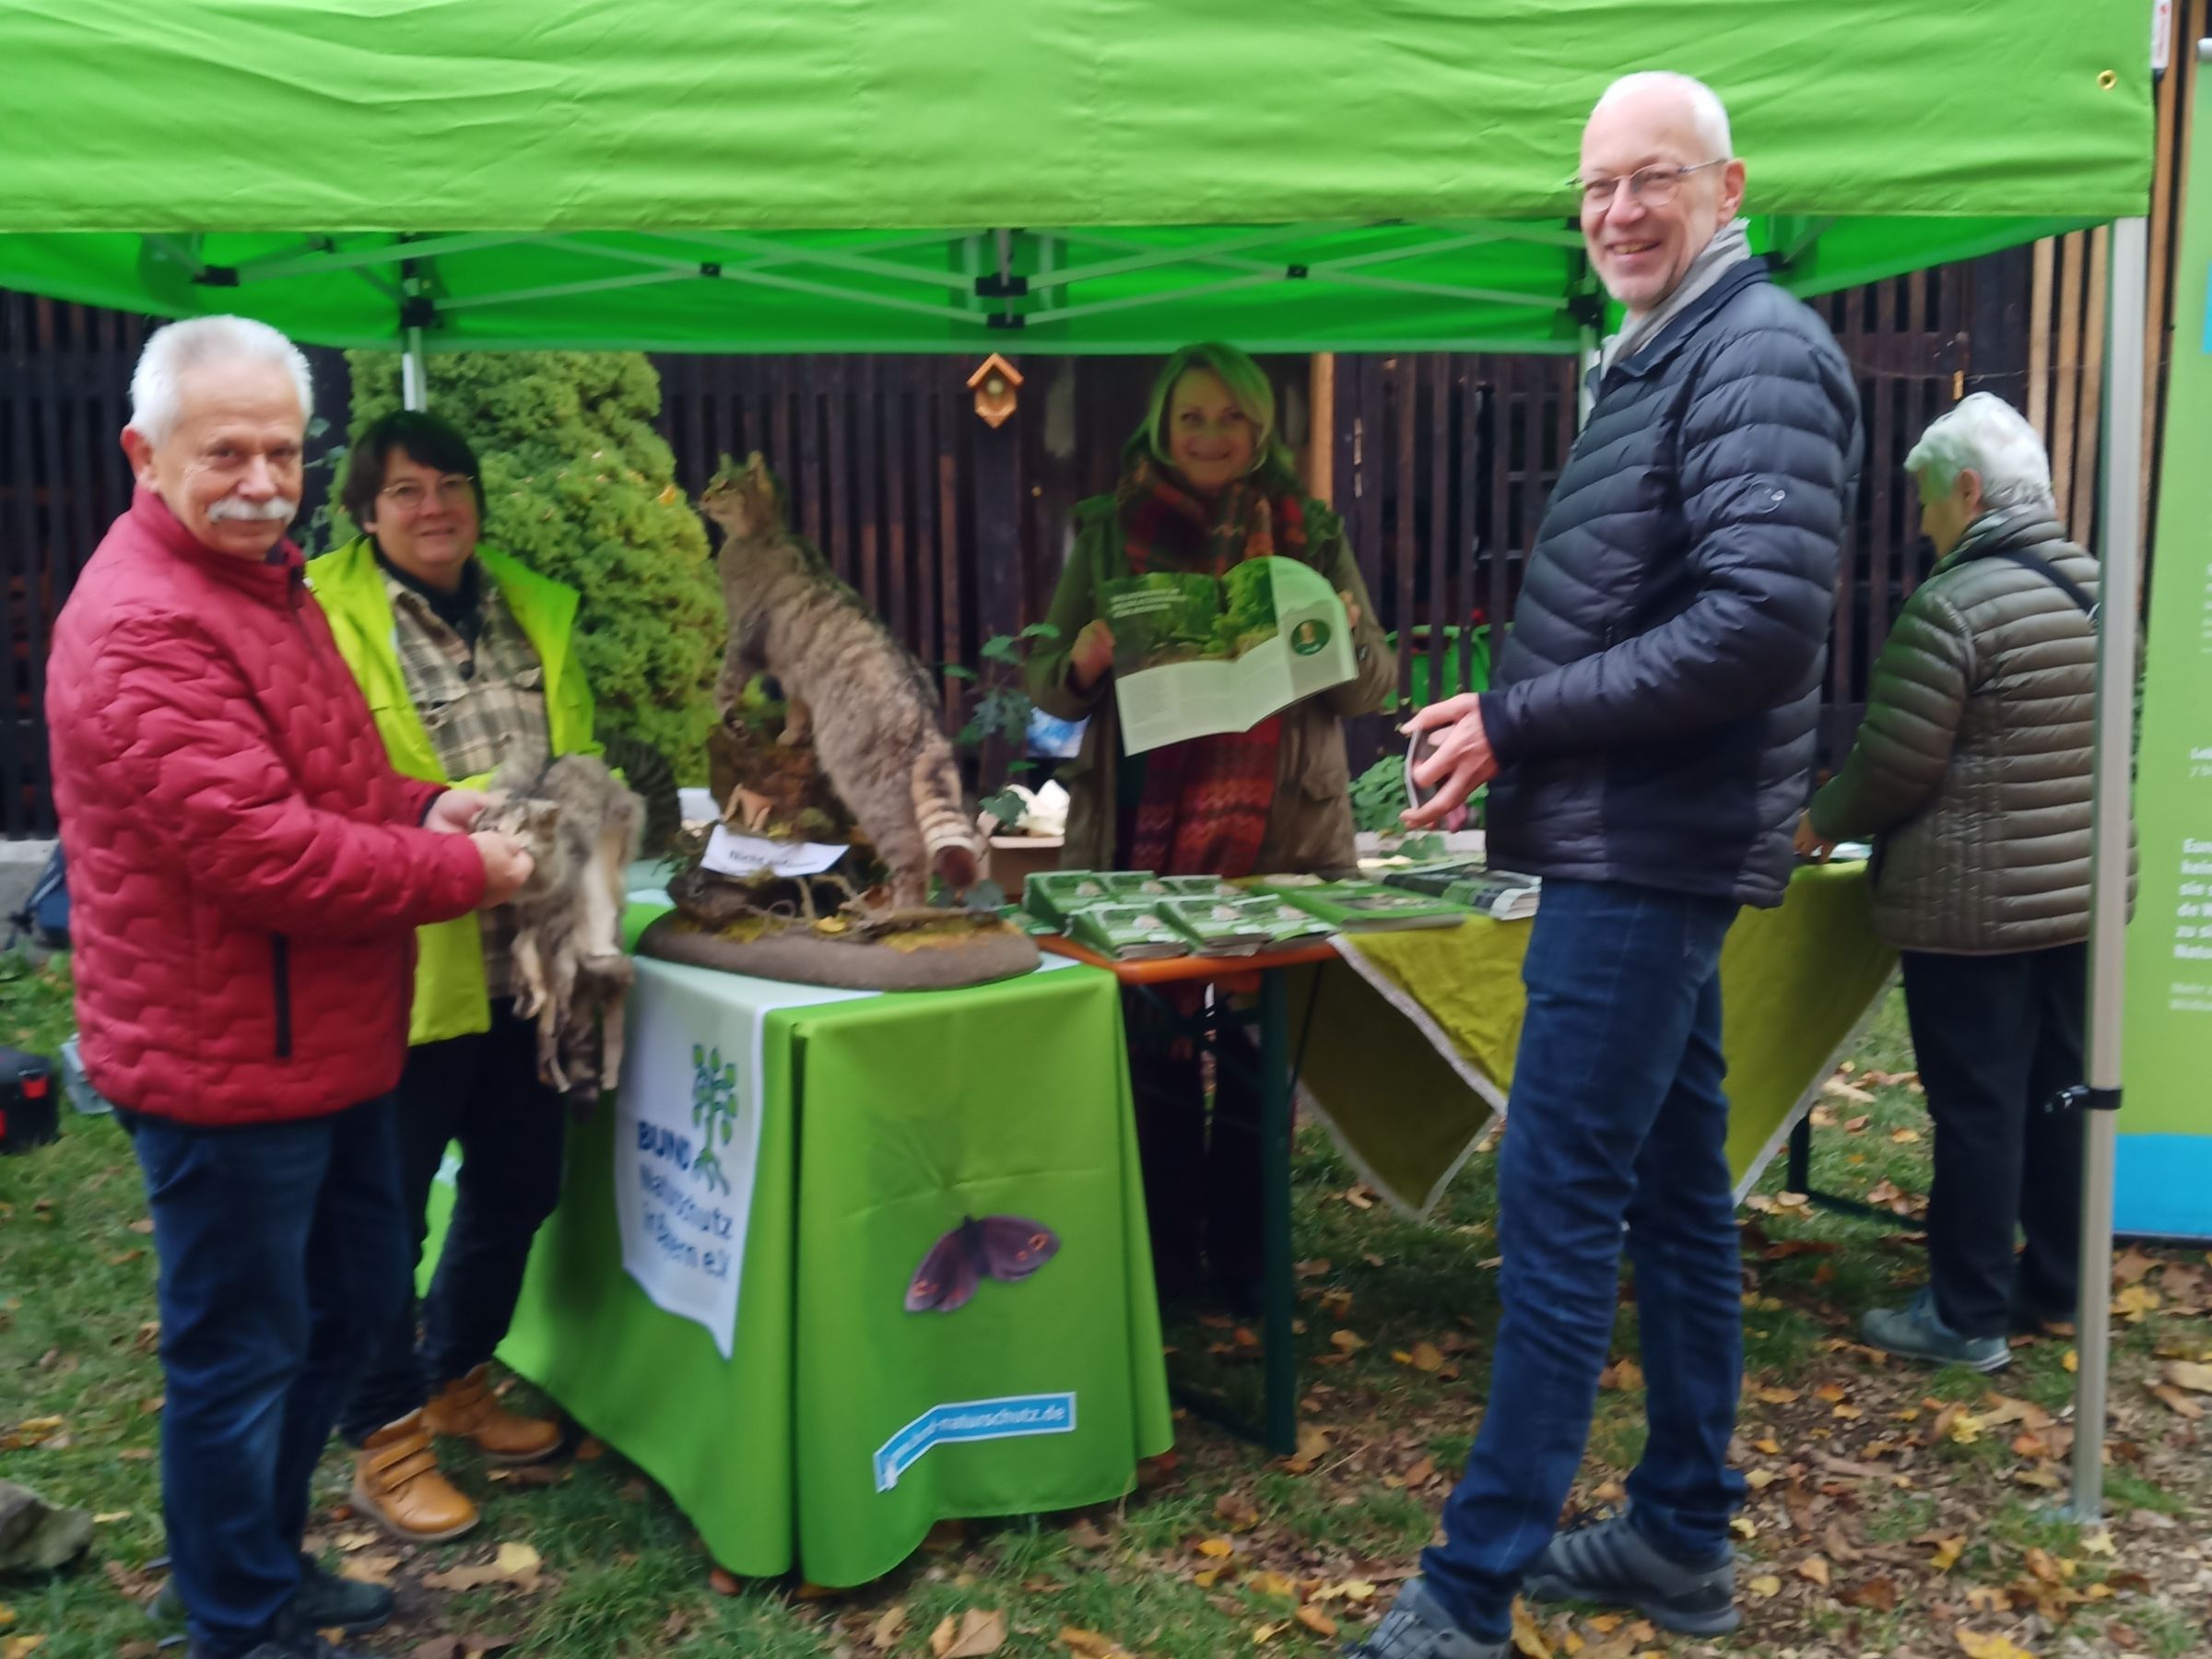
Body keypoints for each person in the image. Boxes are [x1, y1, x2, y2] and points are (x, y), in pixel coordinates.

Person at [1352, 75, 1861, 1658]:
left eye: (1654, 180)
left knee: (1558, 1192)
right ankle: (1681, 1539)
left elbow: (1757, 623)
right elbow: (1656, 606)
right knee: (1666, 1192)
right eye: (1595, 190)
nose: (1621, 213)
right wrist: (1502, 728)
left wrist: (1519, 723)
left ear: (1729, 187)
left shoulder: (1758, 348)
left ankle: (1470, 1588)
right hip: (1643, 839)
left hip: (1652, 854)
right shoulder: (1670, 354)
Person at [44, 317, 535, 1659]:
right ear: (146, 454)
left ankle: (267, 1560)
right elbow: (264, 853)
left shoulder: (268, 586)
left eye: (280, 448)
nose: (262, 478)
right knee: (239, 1360)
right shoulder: (149, 622)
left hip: (321, 1047)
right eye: (225, 452)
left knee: (342, 1313)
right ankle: (239, 1623)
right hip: (223, 1068)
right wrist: (464, 874)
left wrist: (436, 800)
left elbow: (321, 784)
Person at [1025, 342, 1394, 1309]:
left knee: (1258, 1058)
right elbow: (1040, 680)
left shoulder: (1308, 531)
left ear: (1259, 431)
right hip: (1142, 825)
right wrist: (1087, 656)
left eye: (1230, 418)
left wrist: (1343, 630)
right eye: (1192, 417)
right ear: (1162, 427)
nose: (1211, 436)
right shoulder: (1106, 530)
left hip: (1276, 835)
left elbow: (1372, 687)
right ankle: (1162, 1265)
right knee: (1152, 1052)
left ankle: (1249, 1265)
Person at [311, 412, 601, 1539]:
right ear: (367, 511)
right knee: (379, 1217)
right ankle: (382, 1441)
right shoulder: (325, 616)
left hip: (526, 969)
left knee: (520, 1185)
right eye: (406, 491)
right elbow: (330, 786)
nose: (435, 508)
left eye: (453, 484)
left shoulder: (530, 605)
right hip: (401, 969)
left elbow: (576, 753)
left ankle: (455, 1376)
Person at [1803, 394, 2098, 1372]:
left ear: (1969, 492)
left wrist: (1816, 822)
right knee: (2058, 1091)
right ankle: (2055, 1282)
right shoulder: (2098, 588)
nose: (1923, 523)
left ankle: (1966, 1313)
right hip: (2079, 895)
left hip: (1972, 908)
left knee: (1975, 1104)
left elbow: (1895, 766)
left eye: (1929, 502)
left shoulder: (1956, 605)